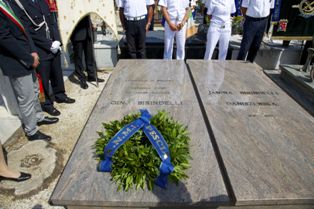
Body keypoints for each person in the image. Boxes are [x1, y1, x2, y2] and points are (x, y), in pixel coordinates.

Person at [0, 0, 58, 141]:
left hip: (28, 56)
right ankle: (31, 131)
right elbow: (4, 38)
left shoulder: (9, 2)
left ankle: (38, 116)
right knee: (26, 98)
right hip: (16, 61)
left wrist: (33, 51)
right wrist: (28, 58)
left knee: (34, 91)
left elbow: (24, 29)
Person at [10, 0, 75, 116]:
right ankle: (46, 104)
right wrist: (48, 44)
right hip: (40, 48)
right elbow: (28, 31)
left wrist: (57, 41)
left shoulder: (42, 2)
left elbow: (52, 23)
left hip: (53, 44)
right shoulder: (20, 4)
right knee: (43, 79)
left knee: (57, 73)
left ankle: (60, 95)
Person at [71, 15, 104, 89]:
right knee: (78, 57)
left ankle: (91, 75)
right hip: (77, 32)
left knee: (90, 55)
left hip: (88, 30)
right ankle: (81, 78)